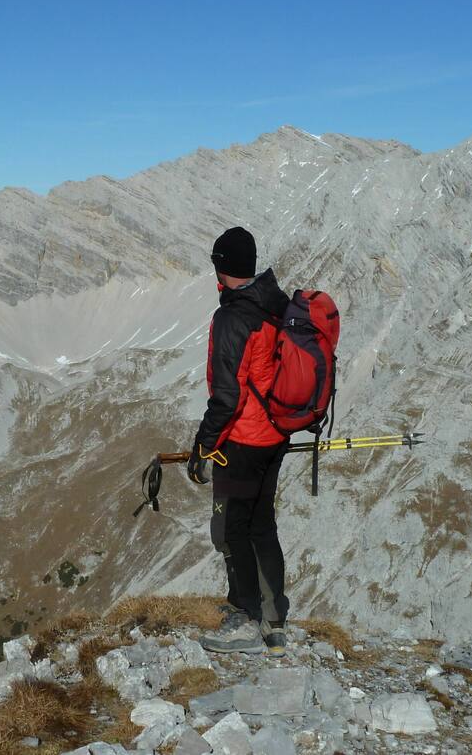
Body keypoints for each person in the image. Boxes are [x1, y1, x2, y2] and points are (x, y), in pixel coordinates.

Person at [186, 226, 291, 655]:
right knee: (262, 527)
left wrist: (203, 446)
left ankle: (245, 618)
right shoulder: (275, 303)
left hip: (243, 442)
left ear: (221, 267)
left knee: (231, 531)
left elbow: (227, 396)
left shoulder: (232, 318)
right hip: (276, 435)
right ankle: (274, 623)